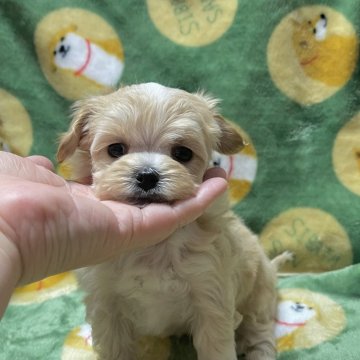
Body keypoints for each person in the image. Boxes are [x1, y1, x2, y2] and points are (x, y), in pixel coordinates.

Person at [0, 151, 227, 318]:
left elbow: (216, 314)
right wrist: (9, 230)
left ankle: (259, 330)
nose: (148, 172)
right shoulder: (94, 236)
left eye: (181, 154)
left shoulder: (209, 239)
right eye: (117, 150)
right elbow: (105, 310)